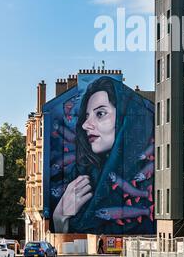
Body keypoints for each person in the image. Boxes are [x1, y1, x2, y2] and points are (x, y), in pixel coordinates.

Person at [52, 76, 154, 235]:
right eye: (86, 116)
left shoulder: (150, 176)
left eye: (100, 113)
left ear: (124, 117)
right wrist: (59, 217)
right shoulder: (83, 173)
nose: (86, 125)